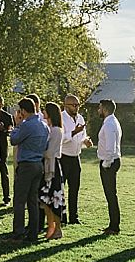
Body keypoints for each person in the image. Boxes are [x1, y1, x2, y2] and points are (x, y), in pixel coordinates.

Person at [8, 97, 48, 242]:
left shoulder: (26, 125)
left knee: (19, 200)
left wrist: (17, 126)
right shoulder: (44, 126)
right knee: (33, 200)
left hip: (26, 164)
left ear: (23, 111)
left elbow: (14, 140)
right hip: (38, 164)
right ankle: (33, 232)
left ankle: (18, 233)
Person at [96, 99, 123, 235]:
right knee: (111, 194)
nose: (98, 110)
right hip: (111, 161)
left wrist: (106, 164)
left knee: (111, 195)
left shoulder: (109, 124)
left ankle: (114, 226)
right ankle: (113, 224)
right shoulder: (111, 122)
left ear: (105, 109)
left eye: (100, 108)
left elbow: (110, 148)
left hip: (109, 162)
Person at [40, 101, 67, 240]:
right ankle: (50, 226)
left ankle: (57, 228)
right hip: (47, 165)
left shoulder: (56, 130)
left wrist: (39, 151)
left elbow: (50, 152)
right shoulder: (50, 128)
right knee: (46, 199)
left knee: (54, 198)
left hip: (53, 166)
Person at [60, 94, 88, 225]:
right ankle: (61, 216)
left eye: (78, 105)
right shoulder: (61, 118)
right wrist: (74, 132)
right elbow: (61, 138)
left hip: (76, 157)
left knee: (75, 188)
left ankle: (74, 217)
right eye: (74, 105)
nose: (76, 107)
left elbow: (82, 136)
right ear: (66, 105)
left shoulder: (80, 118)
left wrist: (85, 141)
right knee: (60, 189)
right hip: (63, 157)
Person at [0, 94, 14, 205]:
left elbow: (10, 130)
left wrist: (3, 129)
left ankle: (6, 197)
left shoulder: (7, 116)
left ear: (2, 104)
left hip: (2, 145)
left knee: (3, 170)